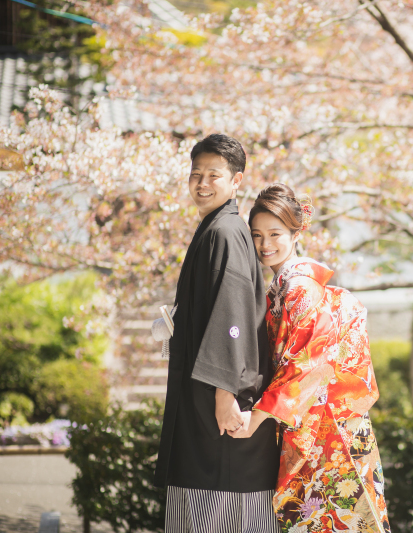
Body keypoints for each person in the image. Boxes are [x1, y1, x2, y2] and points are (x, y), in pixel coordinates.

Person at [230, 183, 391, 533]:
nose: (265, 244)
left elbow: (307, 365)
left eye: (275, 233)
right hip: (318, 421)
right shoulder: (284, 285)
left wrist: (254, 420)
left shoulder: (300, 287)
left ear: (296, 232)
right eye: (256, 235)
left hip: (327, 428)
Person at [154, 134, 281, 533]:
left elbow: (232, 315)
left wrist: (225, 393)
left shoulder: (225, 232)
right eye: (196, 174)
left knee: (218, 513)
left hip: (219, 408)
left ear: (236, 180)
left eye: (214, 174)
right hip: (204, 401)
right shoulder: (215, 228)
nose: (202, 183)